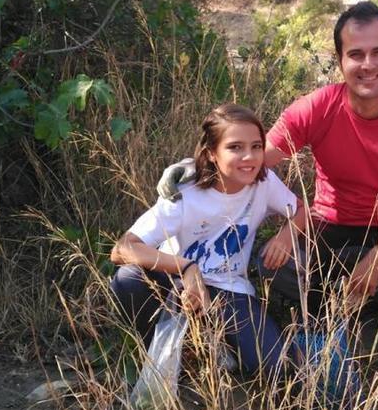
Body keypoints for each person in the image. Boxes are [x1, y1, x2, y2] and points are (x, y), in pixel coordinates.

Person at [159, 2, 378, 327]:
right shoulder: (318, 106)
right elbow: (257, 158)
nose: (368, 65)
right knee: (272, 262)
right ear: (340, 60)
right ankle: (331, 309)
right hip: (329, 228)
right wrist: (192, 168)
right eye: (355, 54)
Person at [110, 104, 308, 379]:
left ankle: (214, 347)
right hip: (176, 283)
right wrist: (187, 268)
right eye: (235, 147)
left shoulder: (264, 182)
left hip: (229, 289)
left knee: (275, 368)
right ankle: (162, 354)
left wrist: (286, 235)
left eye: (256, 146)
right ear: (212, 154)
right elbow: (123, 248)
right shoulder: (185, 192)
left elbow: (302, 209)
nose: (249, 157)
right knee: (128, 279)